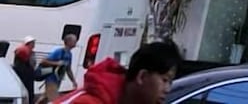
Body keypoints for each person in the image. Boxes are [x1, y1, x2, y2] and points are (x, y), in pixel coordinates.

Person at [53, 40, 181, 104]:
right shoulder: (89, 101)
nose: (167, 89)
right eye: (165, 80)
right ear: (142, 77)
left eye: (170, 82)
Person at [39, 34, 78, 102]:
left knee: (45, 97)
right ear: (68, 42)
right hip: (51, 79)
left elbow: (68, 69)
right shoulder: (58, 52)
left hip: (58, 80)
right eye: (74, 41)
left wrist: (73, 81)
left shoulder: (69, 54)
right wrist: (57, 63)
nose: (76, 42)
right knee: (54, 99)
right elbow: (43, 61)